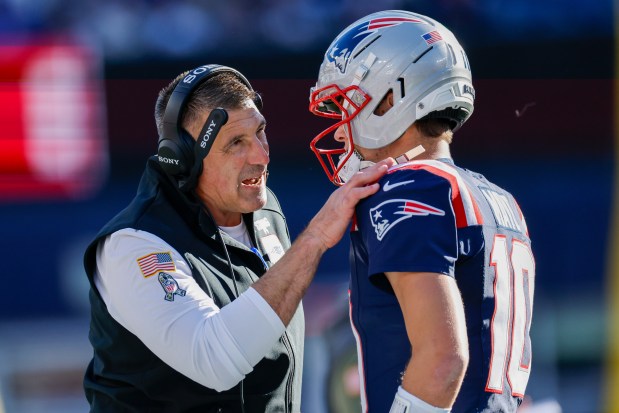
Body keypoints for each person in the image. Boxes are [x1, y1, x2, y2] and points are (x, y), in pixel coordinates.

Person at [82, 64, 393, 412]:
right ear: (181, 159)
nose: (261, 156)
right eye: (235, 143)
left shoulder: (265, 209)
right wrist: (316, 237)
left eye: (260, 132)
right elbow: (214, 361)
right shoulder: (133, 244)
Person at [308, 10, 535, 413]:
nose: (340, 128)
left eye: (346, 104)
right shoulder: (498, 198)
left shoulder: (410, 187)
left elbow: (442, 362)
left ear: (391, 97)